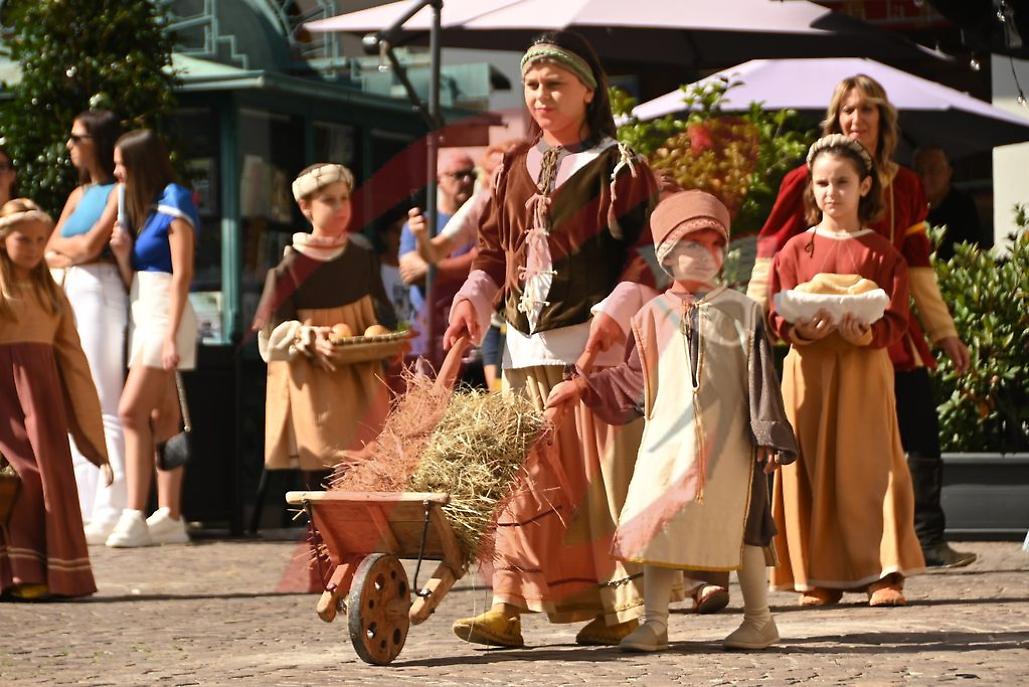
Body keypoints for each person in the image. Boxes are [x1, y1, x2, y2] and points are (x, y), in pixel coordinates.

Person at [445, 30, 661, 647]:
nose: (541, 95)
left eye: (555, 84)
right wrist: (472, 301)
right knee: (524, 482)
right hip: (522, 347)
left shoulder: (620, 168)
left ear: (588, 92)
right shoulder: (513, 165)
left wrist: (617, 314)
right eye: (533, 85)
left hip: (592, 354)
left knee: (595, 485)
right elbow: (491, 252)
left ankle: (616, 607)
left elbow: (647, 255)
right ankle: (507, 606)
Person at [545, 190, 798, 652]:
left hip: (733, 449)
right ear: (666, 256)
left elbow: (762, 378)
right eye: (691, 245)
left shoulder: (744, 312)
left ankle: (760, 620)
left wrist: (767, 436)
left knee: (743, 526)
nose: (705, 255)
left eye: (715, 245)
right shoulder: (649, 317)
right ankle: (656, 622)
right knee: (659, 524)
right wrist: (582, 386)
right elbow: (632, 380)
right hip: (668, 446)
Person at [746, 74, 975, 570]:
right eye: (848, 110)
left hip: (885, 327)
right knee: (817, 447)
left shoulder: (907, 184)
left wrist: (944, 333)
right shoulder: (801, 180)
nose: (857, 119)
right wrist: (755, 319)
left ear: (882, 119)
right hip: (815, 337)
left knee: (910, 432)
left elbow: (917, 267)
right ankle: (818, 559)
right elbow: (771, 254)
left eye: (867, 110)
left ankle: (925, 538)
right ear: (836, 117)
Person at [768, 134, 925, 606]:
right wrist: (805, 331)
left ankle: (884, 572)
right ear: (811, 190)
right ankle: (816, 575)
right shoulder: (794, 250)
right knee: (810, 465)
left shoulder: (883, 253)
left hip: (863, 370)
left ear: (864, 186)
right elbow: (777, 315)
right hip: (808, 371)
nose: (831, 191)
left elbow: (896, 319)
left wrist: (864, 334)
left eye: (841, 181)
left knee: (873, 465)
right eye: (821, 183)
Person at [0, 199, 112, 599]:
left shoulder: (52, 295)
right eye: (22, 239)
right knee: (20, 477)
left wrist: (92, 437)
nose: (32, 247)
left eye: (39, 240)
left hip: (41, 403)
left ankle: (52, 575)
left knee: (51, 480)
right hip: (4, 403)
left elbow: (73, 359)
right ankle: (17, 573)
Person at [253, 164, 396, 472]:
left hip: (363, 381)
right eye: (329, 200)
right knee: (324, 468)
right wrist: (307, 337)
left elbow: (384, 316)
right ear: (306, 207)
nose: (341, 207)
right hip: (315, 384)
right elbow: (270, 337)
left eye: (344, 198)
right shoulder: (289, 268)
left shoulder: (362, 260)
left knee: (370, 465)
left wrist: (386, 338)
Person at [104, 130, 198, 548]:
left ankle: (134, 514)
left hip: (164, 317)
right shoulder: (146, 210)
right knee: (165, 421)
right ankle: (171, 513)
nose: (116, 171)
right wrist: (125, 256)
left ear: (140, 163)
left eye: (121, 163)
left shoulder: (174, 201)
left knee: (130, 412)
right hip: (147, 314)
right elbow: (137, 280)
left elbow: (183, 274)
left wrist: (172, 334)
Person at [44, 110, 128, 543]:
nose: (70, 145)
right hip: (72, 289)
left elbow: (94, 244)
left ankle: (111, 504)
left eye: (77, 137)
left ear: (96, 140)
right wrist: (72, 252)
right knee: (76, 394)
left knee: (103, 396)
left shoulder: (119, 190)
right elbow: (49, 244)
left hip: (101, 289)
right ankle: (84, 503)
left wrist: (70, 250)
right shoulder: (78, 194)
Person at [398, 149, 477, 363]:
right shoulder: (419, 224)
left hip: (471, 331)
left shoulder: (481, 221)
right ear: (438, 179)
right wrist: (461, 267)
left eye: (472, 174)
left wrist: (433, 269)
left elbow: (482, 262)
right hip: (426, 333)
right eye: (458, 175)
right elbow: (411, 272)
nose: (468, 180)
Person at [913, 145, 989, 260]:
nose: (925, 177)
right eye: (919, 171)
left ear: (949, 172)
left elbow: (972, 250)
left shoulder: (963, 206)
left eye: (932, 170)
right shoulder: (909, 205)